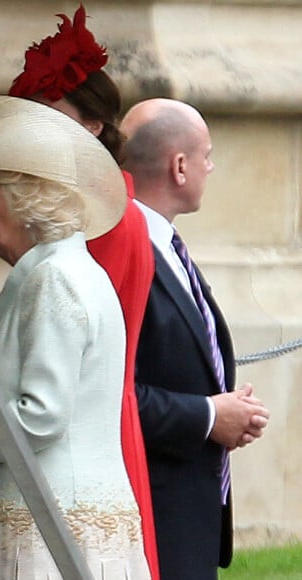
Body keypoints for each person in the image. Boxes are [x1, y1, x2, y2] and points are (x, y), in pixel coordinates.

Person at [0, 94, 150, 579]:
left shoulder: (54, 278)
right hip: (63, 520)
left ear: (27, 202)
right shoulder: (63, 269)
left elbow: (42, 417)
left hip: (44, 532)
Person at [8, 5, 159, 577]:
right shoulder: (100, 203)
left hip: (84, 426)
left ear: (92, 124)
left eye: (50, 112)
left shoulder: (100, 213)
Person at [120, 97, 271, 580]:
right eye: (206, 154)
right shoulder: (124, 248)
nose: (212, 165)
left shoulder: (165, 244)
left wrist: (227, 410)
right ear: (179, 166)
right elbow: (111, 390)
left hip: (190, 514)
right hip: (151, 516)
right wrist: (209, 416)